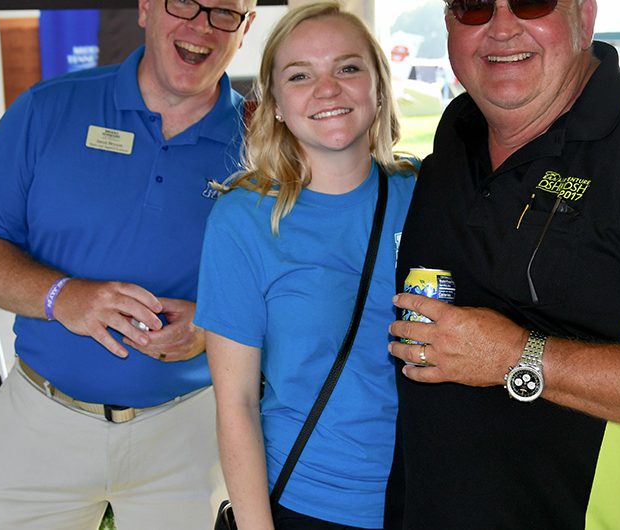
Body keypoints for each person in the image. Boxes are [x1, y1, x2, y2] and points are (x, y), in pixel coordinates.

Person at [383, 0, 620, 528]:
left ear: (583, 17)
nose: (501, 27)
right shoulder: (457, 132)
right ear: (449, 23)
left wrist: (516, 357)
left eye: (532, 1)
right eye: (474, 6)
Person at [0, 0, 256, 526]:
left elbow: (293, 281)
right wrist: (62, 296)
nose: (201, 26)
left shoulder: (264, 142)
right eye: (184, 2)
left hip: (190, 430)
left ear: (246, 27)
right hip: (42, 421)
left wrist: (211, 326)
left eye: (225, 11)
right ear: (145, 8)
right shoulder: (48, 110)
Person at [194, 3, 415, 529]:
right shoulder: (244, 220)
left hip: (430, 495)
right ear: (273, 104)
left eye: (348, 67)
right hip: (310, 502)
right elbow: (237, 404)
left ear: (378, 87)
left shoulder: (425, 196)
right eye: (300, 75)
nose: (328, 89)